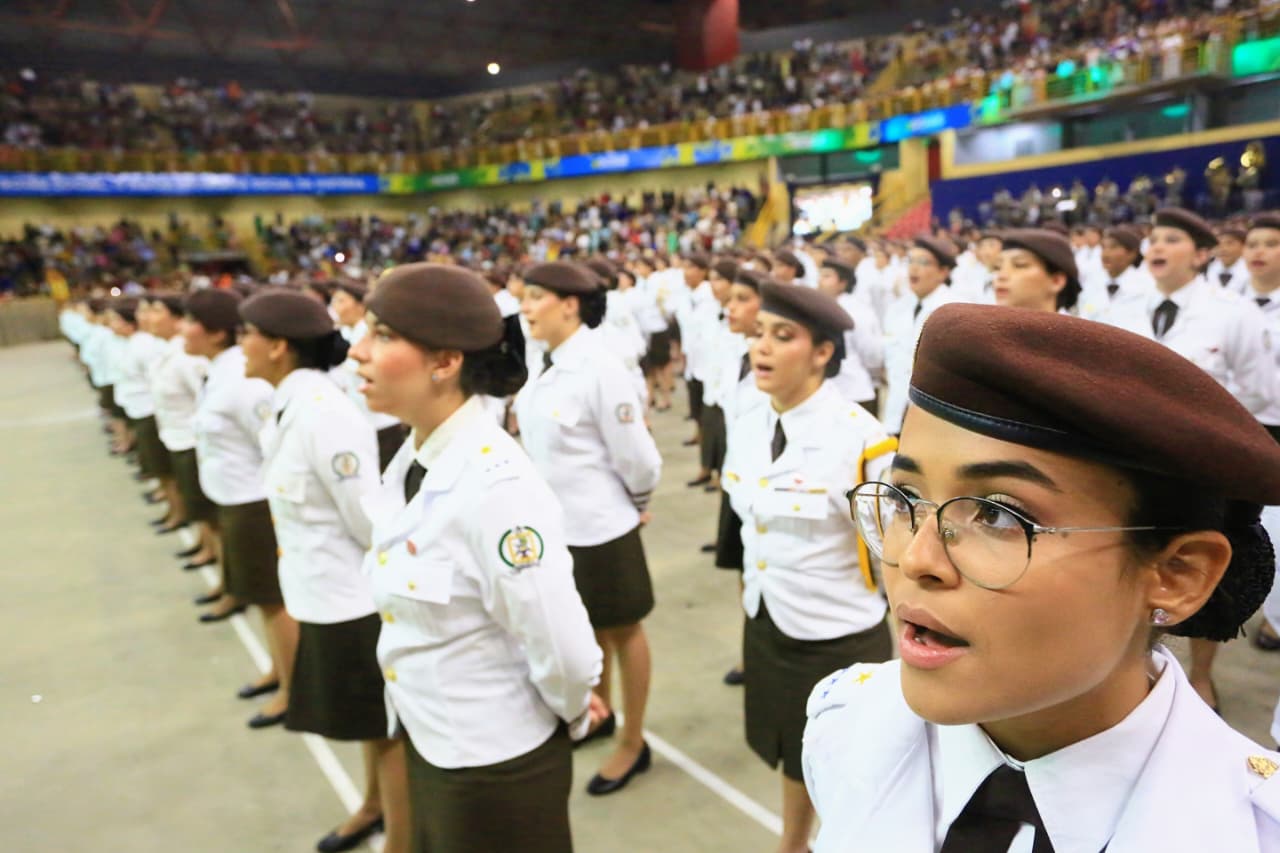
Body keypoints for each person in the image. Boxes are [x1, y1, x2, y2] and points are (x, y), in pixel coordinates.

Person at [806, 303, 1280, 852]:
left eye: (998, 515)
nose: (916, 559)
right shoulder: (843, 726)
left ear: (1178, 574)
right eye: (906, 497)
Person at [348, 263, 602, 852]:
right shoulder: (416, 459)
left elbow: (561, 645)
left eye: (382, 335)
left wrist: (571, 710)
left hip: (493, 764)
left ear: (444, 362)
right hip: (434, 738)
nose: (357, 352)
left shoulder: (495, 488)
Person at [723, 282, 896, 853]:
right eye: (758, 334)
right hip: (769, 619)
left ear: (822, 352)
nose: (762, 347)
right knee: (791, 752)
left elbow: (894, 553)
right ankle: (792, 843)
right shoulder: (748, 417)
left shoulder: (860, 439)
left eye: (782, 336)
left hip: (835, 637)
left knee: (849, 772)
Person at [238, 289, 409, 853]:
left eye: (248, 334)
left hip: (351, 599)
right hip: (320, 593)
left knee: (385, 732)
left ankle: (401, 841)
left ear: (279, 346)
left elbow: (367, 519)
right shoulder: (292, 405)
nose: (241, 345)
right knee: (367, 726)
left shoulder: (324, 414)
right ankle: (373, 807)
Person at [514, 260, 662, 796]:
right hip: (558, 529)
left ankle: (633, 741)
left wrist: (634, 504)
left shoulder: (600, 366)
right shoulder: (544, 361)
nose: (525, 307)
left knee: (623, 631)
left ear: (570, 305)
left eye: (535, 297)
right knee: (587, 631)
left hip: (602, 527)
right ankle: (600, 713)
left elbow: (638, 458)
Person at [183, 288, 294, 726]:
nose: (181, 329)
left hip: (254, 501)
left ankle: (291, 690)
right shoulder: (221, 370)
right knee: (264, 601)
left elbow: (271, 444)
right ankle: (278, 670)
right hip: (235, 498)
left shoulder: (242, 381)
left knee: (273, 601)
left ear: (215, 332)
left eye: (190, 320)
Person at [712, 267, 771, 685]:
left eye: (741, 299)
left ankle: (765, 655)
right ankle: (752, 654)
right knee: (745, 570)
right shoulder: (733, 352)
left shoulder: (781, 365)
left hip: (771, 483)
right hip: (739, 479)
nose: (729, 307)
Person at [144, 293, 218, 575]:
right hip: (176, 435)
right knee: (196, 505)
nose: (148, 318)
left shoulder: (187, 358)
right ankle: (205, 545)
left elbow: (204, 398)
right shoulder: (169, 352)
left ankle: (214, 557)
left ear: (175, 320)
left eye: (156, 311)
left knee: (208, 512)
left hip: (191, 440)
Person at [881, 237, 960, 435]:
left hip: (935, 418)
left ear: (943, 272)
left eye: (924, 262)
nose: (914, 268)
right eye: (911, 261)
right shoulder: (897, 308)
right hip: (896, 412)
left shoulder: (955, 309)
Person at [330, 279, 407, 471]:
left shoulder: (369, 335)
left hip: (383, 424)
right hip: (360, 422)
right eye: (334, 301)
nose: (335, 307)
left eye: (341, 300)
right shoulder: (344, 335)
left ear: (359, 305)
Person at [816, 257, 883, 415]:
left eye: (827, 276)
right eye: (820, 275)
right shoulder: (820, 308)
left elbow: (872, 354)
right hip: (825, 394)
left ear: (842, 283)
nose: (820, 281)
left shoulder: (858, 312)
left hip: (854, 393)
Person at [990, 229, 1081, 314]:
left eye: (1020, 265)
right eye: (997, 267)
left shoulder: (1077, 326)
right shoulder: (986, 325)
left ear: (1056, 281)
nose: (1001, 276)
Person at [1077, 225, 1154, 325]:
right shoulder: (1091, 282)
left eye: (1113, 247)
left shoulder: (1147, 284)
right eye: (1103, 247)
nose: (1105, 254)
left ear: (1131, 253)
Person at [1208, 224, 1250, 294]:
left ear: (1243, 246)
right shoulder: (1208, 270)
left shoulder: (1252, 271)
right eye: (1219, 244)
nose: (1223, 249)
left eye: (1229, 243)